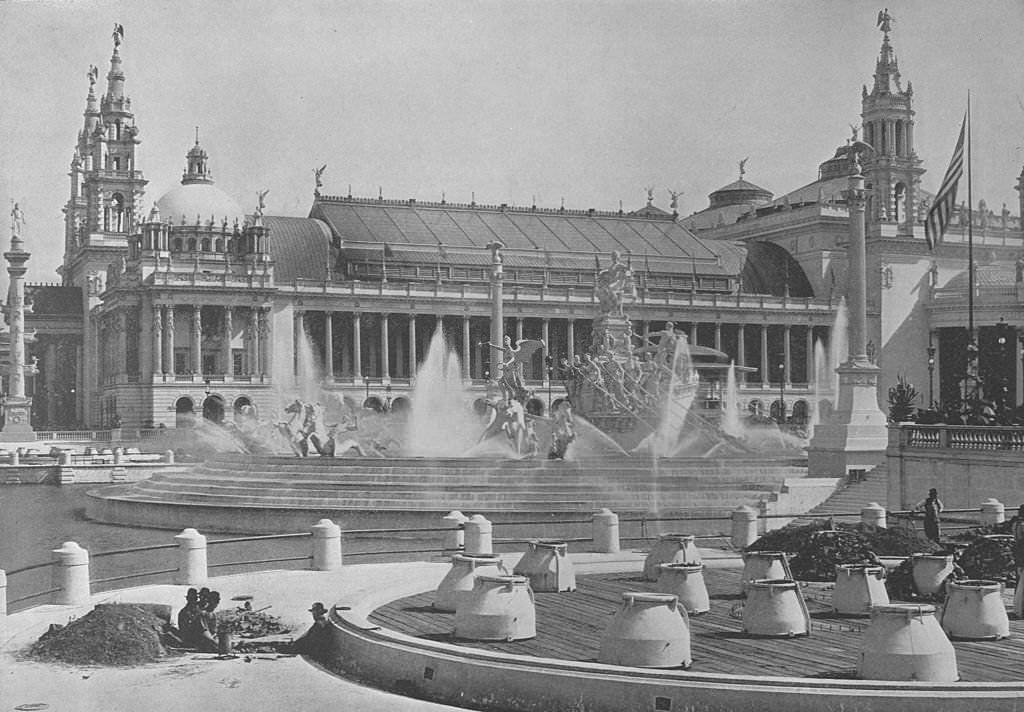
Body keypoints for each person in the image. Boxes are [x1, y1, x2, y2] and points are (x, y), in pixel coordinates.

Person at [1013, 505, 1024, 618]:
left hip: (1018, 552)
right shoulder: (1022, 525)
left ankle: (1018, 607)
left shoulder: (1016, 524)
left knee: (1019, 582)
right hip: (1022, 552)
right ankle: (1021, 609)